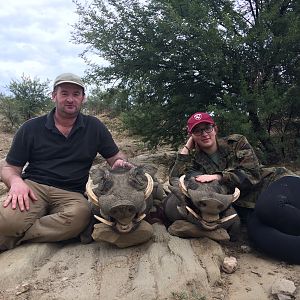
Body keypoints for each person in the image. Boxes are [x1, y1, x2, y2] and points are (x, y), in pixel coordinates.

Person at [0, 72, 132, 251]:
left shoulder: (95, 126)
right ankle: (20, 230)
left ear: (83, 98)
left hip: (72, 192)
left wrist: (120, 163)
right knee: (7, 222)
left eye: (76, 94)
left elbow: (116, 157)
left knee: (80, 217)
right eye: (64, 93)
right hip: (34, 187)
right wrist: (16, 182)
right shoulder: (30, 128)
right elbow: (9, 167)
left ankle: (16, 238)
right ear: (54, 95)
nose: (70, 99)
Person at [166, 112, 299, 263]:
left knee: (270, 207)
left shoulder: (236, 142)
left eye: (207, 128)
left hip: (279, 183)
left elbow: (252, 174)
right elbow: (175, 180)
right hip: (251, 207)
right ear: (192, 136)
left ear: (215, 129)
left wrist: (219, 177)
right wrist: (186, 149)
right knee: (259, 236)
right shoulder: (196, 163)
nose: (204, 134)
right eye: (197, 131)